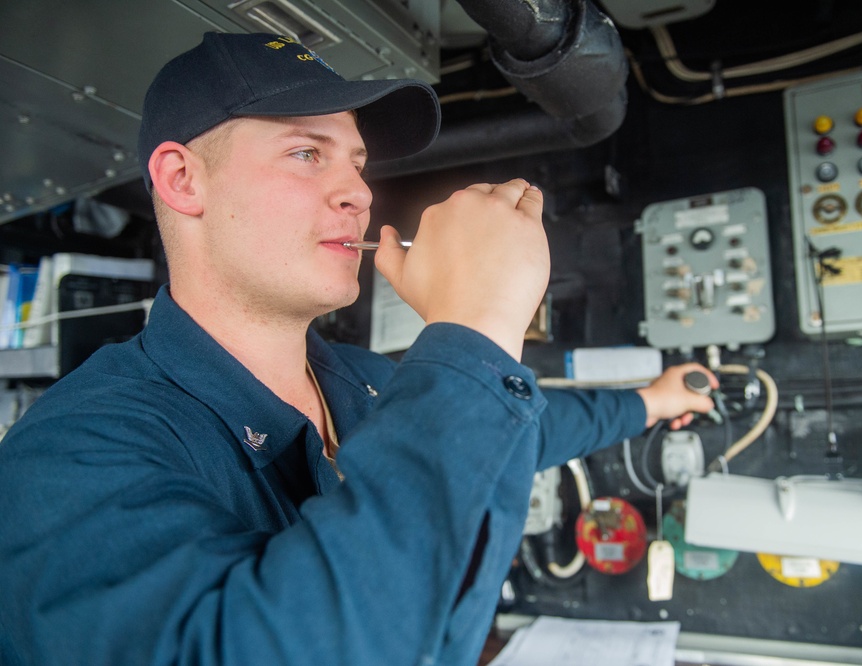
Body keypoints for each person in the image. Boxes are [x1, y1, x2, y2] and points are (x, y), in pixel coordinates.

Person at [0, 32, 716, 665]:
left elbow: (521, 427)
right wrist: (474, 327)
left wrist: (651, 401)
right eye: (307, 152)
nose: (358, 192)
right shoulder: (70, 454)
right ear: (183, 180)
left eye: (357, 163)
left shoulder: (363, 382)